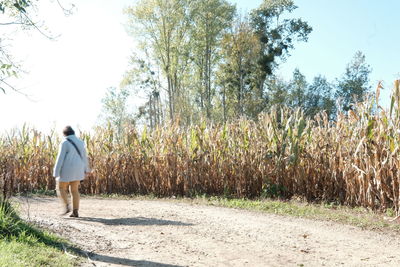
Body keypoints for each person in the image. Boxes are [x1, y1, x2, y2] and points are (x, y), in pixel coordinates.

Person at [53, 126, 90, 217]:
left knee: (60, 188)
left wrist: (56, 171)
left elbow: (60, 158)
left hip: (67, 169)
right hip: (78, 169)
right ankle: (75, 211)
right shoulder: (81, 142)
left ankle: (66, 206)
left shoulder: (64, 142)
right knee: (74, 190)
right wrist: (87, 169)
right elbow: (84, 157)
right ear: (73, 133)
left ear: (64, 134)